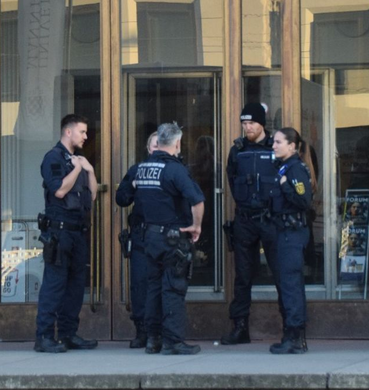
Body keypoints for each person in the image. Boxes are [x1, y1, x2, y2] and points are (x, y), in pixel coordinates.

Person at [130, 122, 205, 355]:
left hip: (149, 238)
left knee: (153, 288)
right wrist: (196, 226)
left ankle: (153, 339)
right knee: (173, 288)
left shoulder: (143, 168)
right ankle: (173, 341)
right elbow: (197, 200)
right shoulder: (175, 169)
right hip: (172, 238)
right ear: (177, 143)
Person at [34, 114, 100, 353]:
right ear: (68, 132)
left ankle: (68, 334)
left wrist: (90, 171)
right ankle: (43, 337)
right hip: (59, 231)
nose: (86, 136)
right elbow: (60, 190)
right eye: (82, 132)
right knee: (54, 285)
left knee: (75, 286)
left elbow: (92, 196)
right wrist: (75, 169)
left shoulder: (79, 160)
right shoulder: (53, 158)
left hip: (77, 232)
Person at [219, 102, 278, 345]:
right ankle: (240, 327)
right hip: (245, 219)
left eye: (252, 122)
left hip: (271, 219)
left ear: (262, 123)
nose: (248, 127)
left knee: (281, 273)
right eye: (244, 123)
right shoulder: (237, 149)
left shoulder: (276, 146)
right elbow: (232, 180)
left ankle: (292, 328)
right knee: (243, 276)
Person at [268, 127, 315, 354]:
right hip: (284, 232)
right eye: (274, 142)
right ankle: (293, 335)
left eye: (278, 142)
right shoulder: (285, 167)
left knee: (291, 285)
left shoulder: (295, 169)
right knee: (289, 284)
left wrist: (285, 184)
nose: (274, 146)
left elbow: (304, 200)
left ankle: (294, 337)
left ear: (292, 146)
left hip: (292, 232)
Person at [115, 131, 158, 348]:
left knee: (161, 284)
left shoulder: (174, 171)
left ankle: (157, 332)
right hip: (141, 235)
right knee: (140, 284)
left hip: (163, 236)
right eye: (153, 145)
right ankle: (141, 331)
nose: (156, 149)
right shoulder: (137, 171)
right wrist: (132, 185)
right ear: (148, 149)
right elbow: (121, 199)